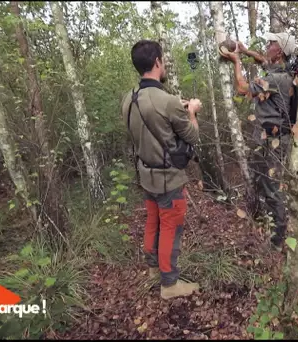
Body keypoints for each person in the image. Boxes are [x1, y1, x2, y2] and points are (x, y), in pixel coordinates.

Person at [121, 40, 202, 299]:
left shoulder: (129, 98)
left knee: (152, 221)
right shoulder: (167, 102)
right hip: (168, 179)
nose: (164, 63)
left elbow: (146, 123)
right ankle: (169, 284)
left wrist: (176, 105)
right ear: (157, 62)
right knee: (170, 227)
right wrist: (191, 111)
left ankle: (152, 269)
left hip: (145, 175)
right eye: (163, 59)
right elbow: (191, 136)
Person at [219, 32, 298, 251]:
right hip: (267, 138)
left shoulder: (275, 79)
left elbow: (243, 89)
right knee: (263, 183)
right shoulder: (280, 70)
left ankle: (277, 241)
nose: (267, 45)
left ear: (280, 51)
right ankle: (271, 225)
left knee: (272, 188)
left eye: (272, 43)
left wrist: (236, 62)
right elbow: (263, 60)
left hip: (271, 141)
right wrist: (245, 52)